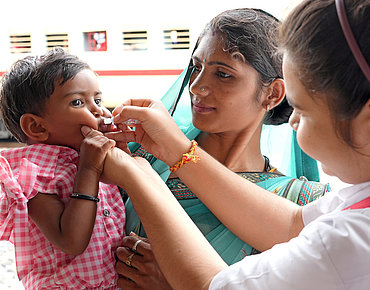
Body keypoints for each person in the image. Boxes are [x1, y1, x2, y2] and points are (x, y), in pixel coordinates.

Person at [86, 0, 369, 289]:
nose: (196, 87)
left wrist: (137, 175)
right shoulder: (145, 154)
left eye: (223, 74)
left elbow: (217, 285)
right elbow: (290, 225)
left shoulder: (338, 224)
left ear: (272, 94)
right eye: (196, 67)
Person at [0, 48, 125, 289]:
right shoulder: (35, 173)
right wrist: (88, 170)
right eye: (78, 102)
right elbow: (71, 241)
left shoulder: (86, 156)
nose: (99, 111)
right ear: (36, 127)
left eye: (97, 100)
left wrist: (123, 154)